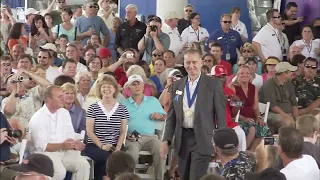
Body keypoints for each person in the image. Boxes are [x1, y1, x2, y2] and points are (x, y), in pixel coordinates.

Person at [160, 49, 226, 180]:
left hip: (202, 138)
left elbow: (221, 114)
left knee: (196, 176)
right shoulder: (177, 85)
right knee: (184, 175)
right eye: (188, 62)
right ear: (183, 64)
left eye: (194, 62)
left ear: (201, 63)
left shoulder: (213, 84)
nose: (191, 66)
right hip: (182, 138)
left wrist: (220, 142)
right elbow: (171, 116)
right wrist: (165, 140)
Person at [28, 85, 90, 180]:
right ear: (49, 99)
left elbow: (70, 135)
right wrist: (63, 145)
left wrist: (73, 144)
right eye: (59, 97)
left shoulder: (64, 113)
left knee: (84, 165)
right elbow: (41, 147)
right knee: (60, 172)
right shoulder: (38, 118)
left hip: (64, 152)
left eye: (63, 96)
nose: (63, 99)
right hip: (46, 154)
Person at [122, 74, 166, 180]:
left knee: (160, 149)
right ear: (129, 88)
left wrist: (159, 116)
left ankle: (159, 178)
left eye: (139, 84)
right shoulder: (123, 104)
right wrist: (126, 135)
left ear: (143, 86)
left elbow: (165, 116)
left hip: (150, 137)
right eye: (134, 84)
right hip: (131, 138)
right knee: (131, 154)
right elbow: (118, 123)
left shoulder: (152, 100)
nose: (137, 86)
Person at [84, 75, 129, 180]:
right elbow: (89, 131)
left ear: (114, 89)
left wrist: (118, 147)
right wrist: (102, 145)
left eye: (109, 86)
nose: (106, 89)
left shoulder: (122, 109)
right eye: (103, 87)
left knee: (119, 158)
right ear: (99, 89)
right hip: (94, 145)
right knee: (107, 157)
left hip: (115, 145)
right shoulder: (93, 108)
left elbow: (123, 132)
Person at [229, 65, 270, 151]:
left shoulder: (253, 88)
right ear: (237, 75)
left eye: (247, 73)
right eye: (242, 73)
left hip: (251, 119)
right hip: (237, 119)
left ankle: (250, 153)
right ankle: (242, 153)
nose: (245, 75)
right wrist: (244, 119)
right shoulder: (233, 87)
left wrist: (258, 117)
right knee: (252, 129)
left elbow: (255, 108)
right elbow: (232, 111)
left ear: (251, 75)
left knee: (264, 129)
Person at [211, 65, 246, 151]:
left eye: (223, 76)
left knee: (240, 133)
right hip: (212, 125)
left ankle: (240, 158)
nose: (222, 79)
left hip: (228, 124)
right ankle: (213, 160)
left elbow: (233, 114)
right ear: (212, 77)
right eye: (219, 77)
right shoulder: (207, 90)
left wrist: (236, 104)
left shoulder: (229, 91)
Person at [259, 62, 298, 133]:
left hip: (287, 113)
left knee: (302, 122)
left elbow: (294, 103)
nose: (292, 73)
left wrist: (297, 118)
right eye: (290, 72)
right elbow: (272, 106)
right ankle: (284, 142)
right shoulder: (269, 85)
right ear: (284, 73)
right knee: (287, 122)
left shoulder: (288, 83)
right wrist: (286, 116)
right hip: (271, 113)